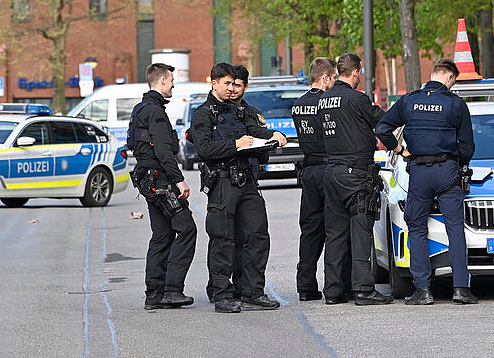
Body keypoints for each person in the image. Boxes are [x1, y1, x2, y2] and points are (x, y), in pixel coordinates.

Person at [376, 59, 477, 305]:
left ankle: (422, 290)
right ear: (451, 78)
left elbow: (381, 129)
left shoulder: (409, 101)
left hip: (419, 171)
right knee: (455, 227)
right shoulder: (455, 104)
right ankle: (461, 289)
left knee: (417, 228)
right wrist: (457, 163)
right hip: (447, 171)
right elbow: (468, 146)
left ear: (432, 74)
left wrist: (400, 150)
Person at [189, 62, 286, 313]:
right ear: (214, 83)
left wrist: (273, 136)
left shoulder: (245, 111)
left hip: (248, 182)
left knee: (256, 236)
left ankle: (252, 292)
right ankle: (222, 293)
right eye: (227, 84)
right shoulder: (203, 114)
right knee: (223, 238)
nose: (232, 89)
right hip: (222, 181)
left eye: (236, 84)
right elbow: (205, 149)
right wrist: (236, 144)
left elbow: (256, 132)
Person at [318, 52, 392, 306]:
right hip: (355, 174)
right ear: (356, 71)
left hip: (331, 172)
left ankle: (333, 291)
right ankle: (363, 289)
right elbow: (385, 120)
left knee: (335, 234)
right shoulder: (357, 99)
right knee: (361, 230)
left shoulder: (324, 99)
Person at [127, 63, 197, 310]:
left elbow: (132, 144)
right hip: (161, 180)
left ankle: (154, 294)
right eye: (172, 81)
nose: (173, 86)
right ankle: (172, 290)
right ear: (163, 81)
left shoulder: (139, 109)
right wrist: (179, 179)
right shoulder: (155, 112)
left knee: (162, 235)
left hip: (147, 180)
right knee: (187, 229)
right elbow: (164, 150)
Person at [291, 57, 337, 301]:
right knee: (335, 229)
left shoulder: (298, 104)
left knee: (309, 230)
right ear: (325, 77)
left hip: (309, 172)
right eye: (333, 78)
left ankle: (306, 286)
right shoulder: (327, 103)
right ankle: (335, 285)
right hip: (328, 168)